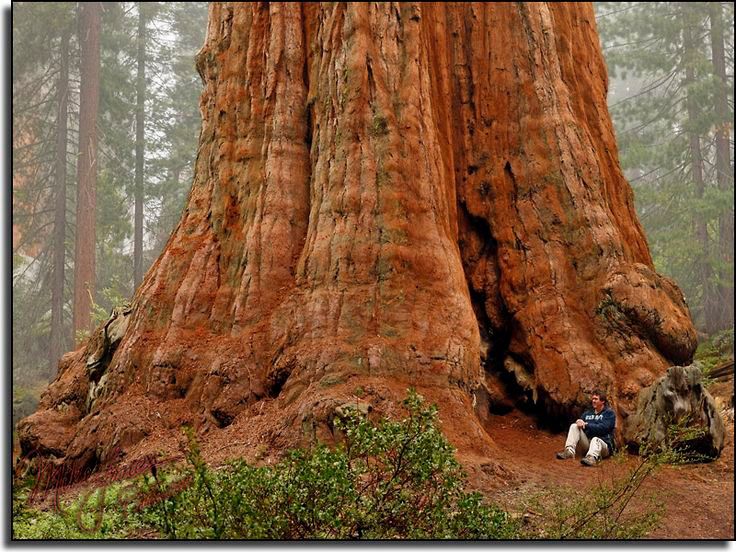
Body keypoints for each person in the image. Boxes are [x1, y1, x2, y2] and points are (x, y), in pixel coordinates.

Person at [555, 390, 615, 466]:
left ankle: (591, 458)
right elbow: (581, 424)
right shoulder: (588, 413)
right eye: (593, 399)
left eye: (596, 399)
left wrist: (587, 425)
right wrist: (579, 422)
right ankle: (569, 451)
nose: (593, 401)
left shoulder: (609, 413)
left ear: (602, 401)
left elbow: (604, 428)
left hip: (603, 446)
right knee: (574, 426)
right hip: (588, 444)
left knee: (595, 439)